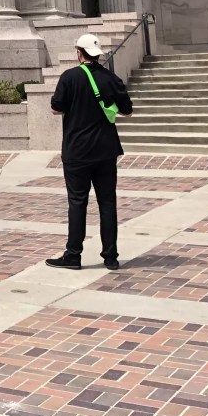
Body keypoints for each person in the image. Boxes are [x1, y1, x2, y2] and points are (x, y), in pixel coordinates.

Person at [46, 34, 133, 271]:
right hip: (106, 150)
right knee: (107, 202)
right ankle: (111, 256)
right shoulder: (111, 78)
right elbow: (127, 111)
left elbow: (55, 108)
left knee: (77, 202)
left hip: (77, 150)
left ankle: (73, 255)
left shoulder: (70, 77)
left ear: (79, 53)